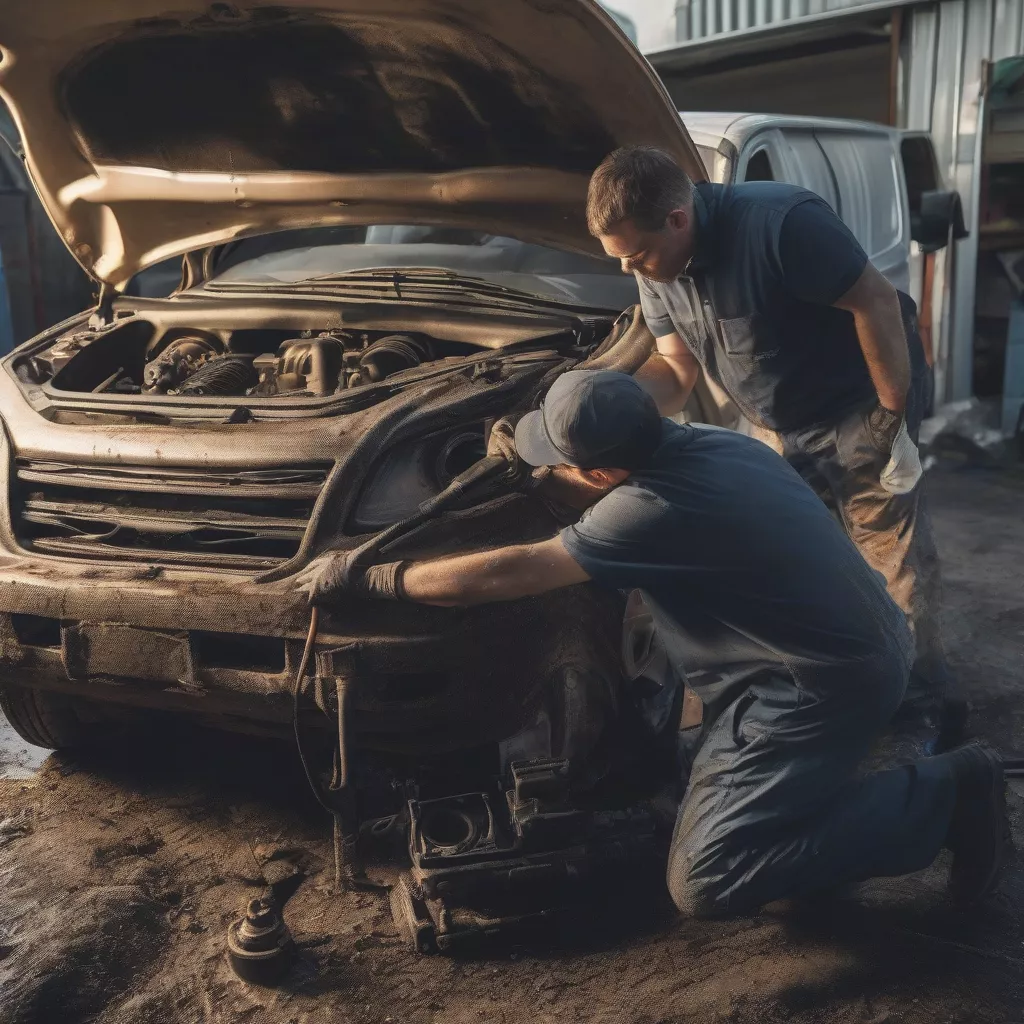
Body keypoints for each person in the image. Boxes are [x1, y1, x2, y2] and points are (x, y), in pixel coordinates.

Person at [295, 369, 1008, 918]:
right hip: (849, 643)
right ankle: (808, 808)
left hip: (817, 685)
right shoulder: (719, 444)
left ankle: (950, 794)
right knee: (683, 779)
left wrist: (379, 578)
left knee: (707, 877)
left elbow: (515, 573)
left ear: (603, 473)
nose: (545, 471)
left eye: (556, 462)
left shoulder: (647, 512)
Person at [585, 146, 964, 749]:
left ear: (678, 218)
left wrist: (893, 420)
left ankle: (920, 710)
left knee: (890, 555)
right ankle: (838, 679)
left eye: (637, 255)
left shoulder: (782, 225)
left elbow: (876, 301)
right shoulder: (656, 267)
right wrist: (606, 406)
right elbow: (676, 371)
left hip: (857, 405)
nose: (633, 270)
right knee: (794, 552)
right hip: (776, 419)